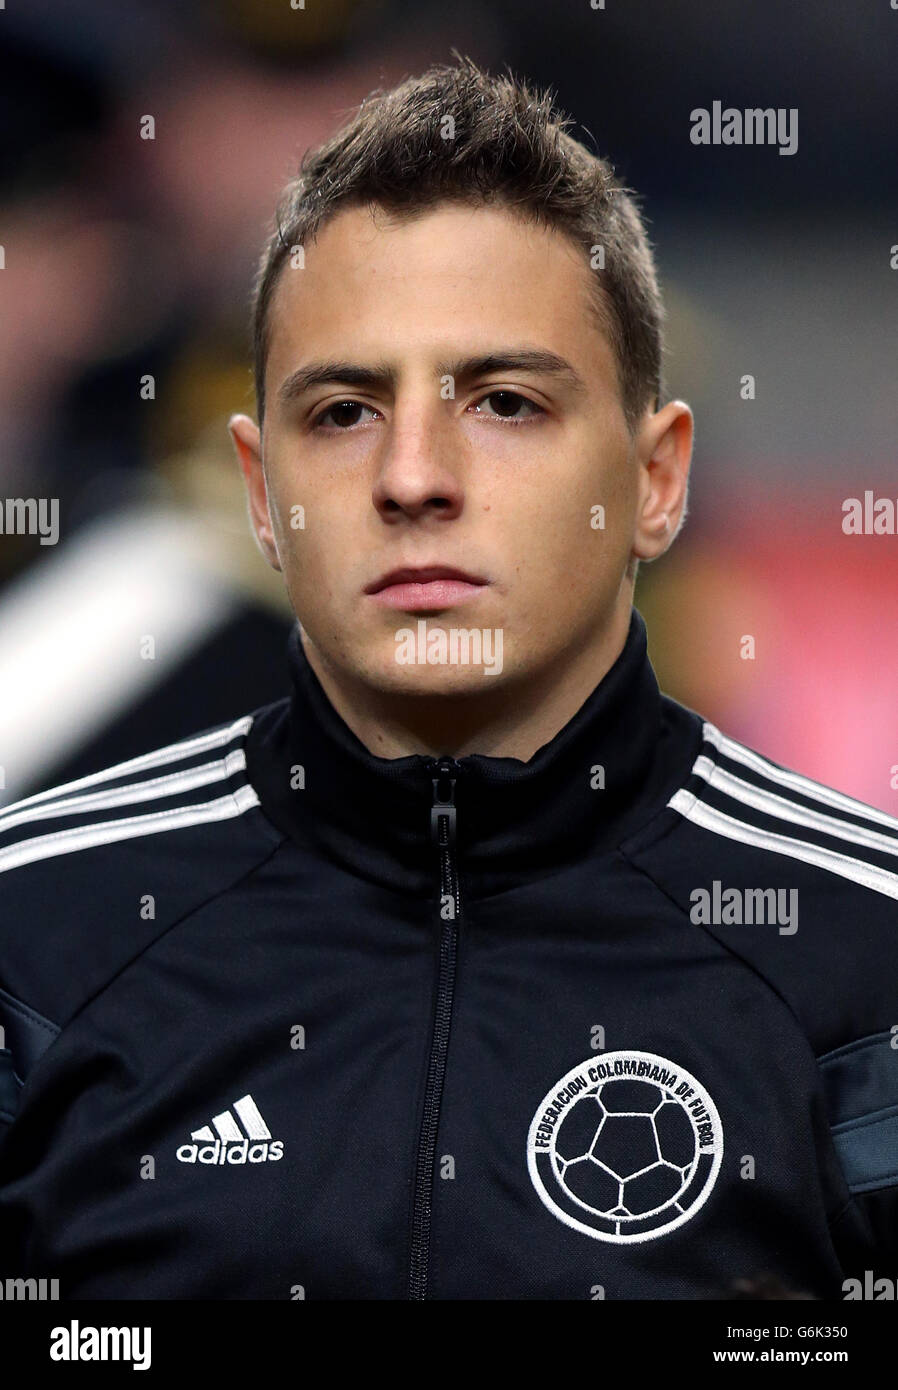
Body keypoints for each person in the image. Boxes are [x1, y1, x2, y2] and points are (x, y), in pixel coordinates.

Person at [1, 56, 895, 1301]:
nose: (414, 475)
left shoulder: (870, 957)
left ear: (656, 480)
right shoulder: (32, 939)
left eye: (506, 403)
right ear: (261, 494)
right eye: (344, 412)